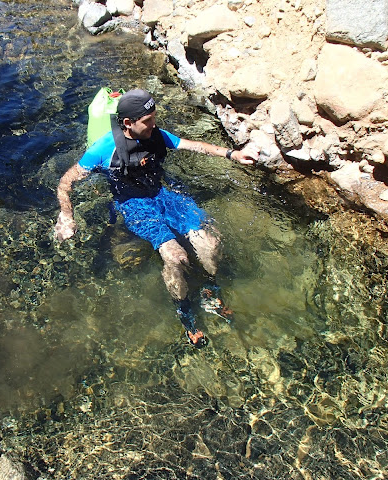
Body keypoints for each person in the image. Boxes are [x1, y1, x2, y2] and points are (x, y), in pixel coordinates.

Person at [54, 89, 257, 347]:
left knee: (210, 243)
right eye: (147, 120)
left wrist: (232, 154)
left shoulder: (155, 134)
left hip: (162, 195)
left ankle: (209, 291)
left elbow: (194, 146)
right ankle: (186, 314)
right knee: (175, 256)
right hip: (133, 204)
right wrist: (66, 215)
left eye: (154, 118)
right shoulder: (103, 148)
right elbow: (66, 182)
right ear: (128, 123)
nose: (154, 124)